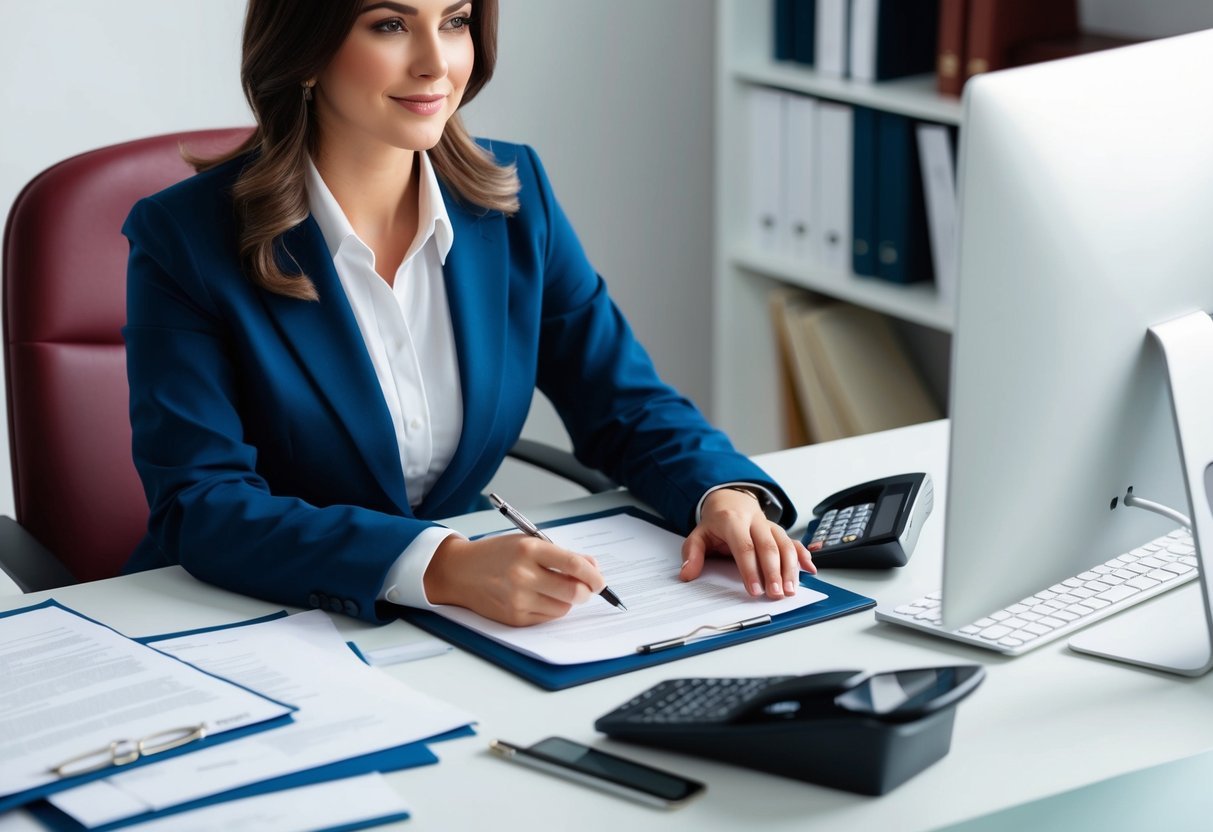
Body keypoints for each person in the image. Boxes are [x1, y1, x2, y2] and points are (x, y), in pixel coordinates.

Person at [123, 0, 815, 627]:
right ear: (305, 48)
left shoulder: (514, 201)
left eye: (454, 22)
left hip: (458, 627)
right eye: (389, 24)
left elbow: (623, 401)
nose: (436, 63)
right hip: (242, 619)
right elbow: (201, 503)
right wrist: (439, 565)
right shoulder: (186, 238)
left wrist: (719, 495)